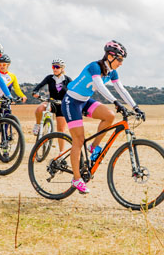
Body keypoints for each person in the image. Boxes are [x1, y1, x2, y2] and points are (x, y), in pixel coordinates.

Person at [61, 40, 145, 194]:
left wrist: (135, 107)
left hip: (84, 101)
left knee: (109, 116)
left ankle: (93, 147)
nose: (121, 63)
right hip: (71, 102)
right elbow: (99, 86)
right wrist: (115, 102)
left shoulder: (112, 72)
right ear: (110, 56)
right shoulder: (95, 66)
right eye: (119, 59)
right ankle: (77, 179)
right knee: (78, 140)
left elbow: (121, 89)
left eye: (122, 60)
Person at [32, 58, 72, 137]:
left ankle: (61, 150)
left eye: (57, 67)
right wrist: (35, 92)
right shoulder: (50, 78)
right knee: (40, 108)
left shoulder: (67, 79)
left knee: (61, 130)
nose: (55, 69)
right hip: (52, 102)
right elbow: (40, 85)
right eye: (53, 67)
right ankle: (37, 125)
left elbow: (74, 91)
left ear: (62, 68)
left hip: (62, 105)